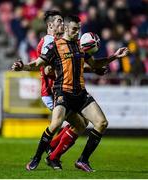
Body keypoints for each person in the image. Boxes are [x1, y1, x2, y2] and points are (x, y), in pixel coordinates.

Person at [12, 15, 129, 172]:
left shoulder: (81, 46)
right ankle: (36, 158)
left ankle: (82, 160)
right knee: (56, 124)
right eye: (74, 29)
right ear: (66, 28)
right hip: (63, 93)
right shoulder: (55, 46)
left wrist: (114, 56)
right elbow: (39, 64)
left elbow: (95, 64)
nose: (77, 32)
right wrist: (23, 67)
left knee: (101, 123)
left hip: (80, 94)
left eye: (78, 29)